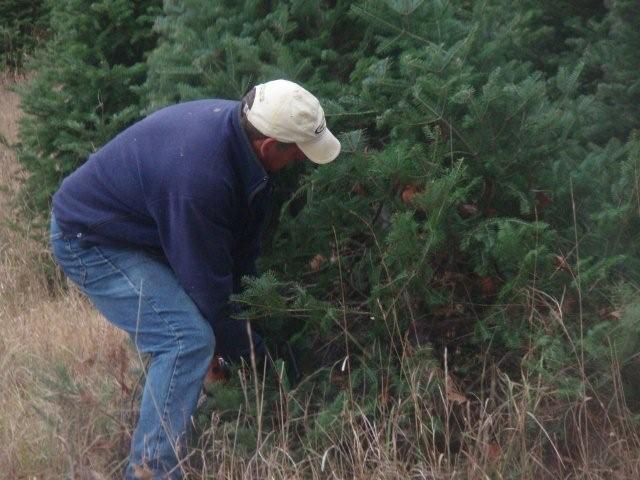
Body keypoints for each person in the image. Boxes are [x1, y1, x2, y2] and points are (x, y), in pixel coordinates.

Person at [49, 79, 340, 479]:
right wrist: (256, 358)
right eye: (297, 154)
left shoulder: (243, 135)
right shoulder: (202, 178)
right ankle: (152, 471)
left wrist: (250, 328)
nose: (299, 163)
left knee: (197, 336)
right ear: (270, 147)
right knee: (185, 340)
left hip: (147, 233)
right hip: (91, 241)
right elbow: (210, 292)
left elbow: (238, 260)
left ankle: (187, 421)